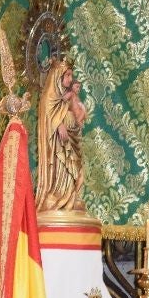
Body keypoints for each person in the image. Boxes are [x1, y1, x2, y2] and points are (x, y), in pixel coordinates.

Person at [35, 59, 88, 213]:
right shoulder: (48, 97)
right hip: (57, 147)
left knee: (76, 170)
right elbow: (48, 115)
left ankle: (70, 196)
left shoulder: (65, 95)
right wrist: (59, 124)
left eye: (71, 75)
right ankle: (59, 195)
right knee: (62, 167)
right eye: (68, 75)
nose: (71, 80)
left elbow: (70, 109)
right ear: (58, 76)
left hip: (70, 140)